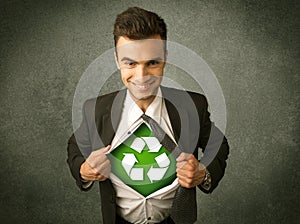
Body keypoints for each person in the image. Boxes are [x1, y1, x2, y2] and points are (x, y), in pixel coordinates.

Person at [67, 7, 229, 224]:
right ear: (117, 60)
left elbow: (219, 145)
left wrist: (203, 173)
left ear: (165, 58)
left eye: (152, 62)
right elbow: (74, 147)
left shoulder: (193, 106)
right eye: (130, 63)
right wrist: (84, 170)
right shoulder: (95, 109)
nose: (141, 77)